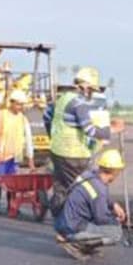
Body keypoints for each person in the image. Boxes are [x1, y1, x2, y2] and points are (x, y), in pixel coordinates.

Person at [49, 66, 111, 212]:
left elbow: (48, 119)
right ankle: (75, 221)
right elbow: (89, 130)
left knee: (61, 187)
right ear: (84, 86)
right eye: (90, 90)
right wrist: (108, 131)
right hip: (74, 154)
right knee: (81, 189)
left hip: (57, 150)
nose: (91, 94)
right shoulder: (78, 103)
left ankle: (59, 221)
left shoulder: (63, 98)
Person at [53, 148, 127, 259]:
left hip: (64, 220)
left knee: (106, 225)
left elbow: (97, 198)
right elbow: (101, 218)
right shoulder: (99, 189)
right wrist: (116, 220)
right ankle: (74, 242)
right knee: (116, 232)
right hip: (73, 226)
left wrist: (113, 204)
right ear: (114, 171)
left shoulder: (90, 175)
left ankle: (80, 241)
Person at [0, 89, 35, 214]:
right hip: (2, 155)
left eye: (22, 105)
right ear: (12, 103)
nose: (20, 107)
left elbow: (28, 139)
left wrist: (30, 159)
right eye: (18, 104)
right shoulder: (1, 115)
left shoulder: (22, 119)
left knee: (13, 182)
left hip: (15, 156)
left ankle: (11, 205)